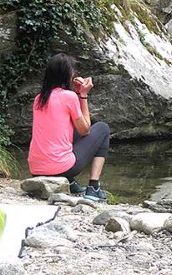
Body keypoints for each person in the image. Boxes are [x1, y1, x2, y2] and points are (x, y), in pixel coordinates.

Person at [26, 53, 111, 201]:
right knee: (103, 129)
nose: (74, 74)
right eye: (72, 71)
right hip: (61, 168)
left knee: (69, 133)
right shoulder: (68, 96)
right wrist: (83, 95)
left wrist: (77, 93)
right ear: (66, 75)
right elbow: (85, 129)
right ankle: (94, 187)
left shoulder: (39, 98)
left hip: (36, 169)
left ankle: (70, 182)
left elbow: (69, 128)